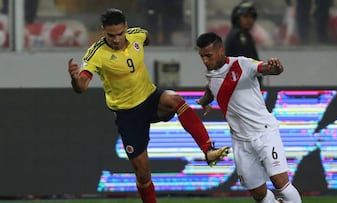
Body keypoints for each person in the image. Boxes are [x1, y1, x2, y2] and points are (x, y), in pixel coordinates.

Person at [67, 8, 229, 203]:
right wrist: (75, 79)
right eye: (111, 35)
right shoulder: (96, 53)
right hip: (128, 114)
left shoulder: (136, 35)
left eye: (120, 33)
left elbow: (146, 37)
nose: (117, 39)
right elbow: (81, 86)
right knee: (143, 175)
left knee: (175, 100)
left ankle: (208, 150)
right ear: (103, 31)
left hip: (151, 98)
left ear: (126, 28)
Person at [196, 32, 302, 203]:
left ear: (221, 51)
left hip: (264, 133)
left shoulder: (242, 64)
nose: (205, 61)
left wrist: (276, 67)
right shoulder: (211, 73)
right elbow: (211, 87)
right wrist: (204, 100)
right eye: (201, 57)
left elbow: (268, 69)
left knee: (280, 183)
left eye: (208, 56)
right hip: (240, 141)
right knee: (258, 193)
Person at [224, 0, 263, 87]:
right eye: (245, 16)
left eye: (252, 17)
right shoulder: (239, 35)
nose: (250, 20)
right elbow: (246, 63)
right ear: (237, 18)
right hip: (241, 85)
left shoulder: (245, 35)